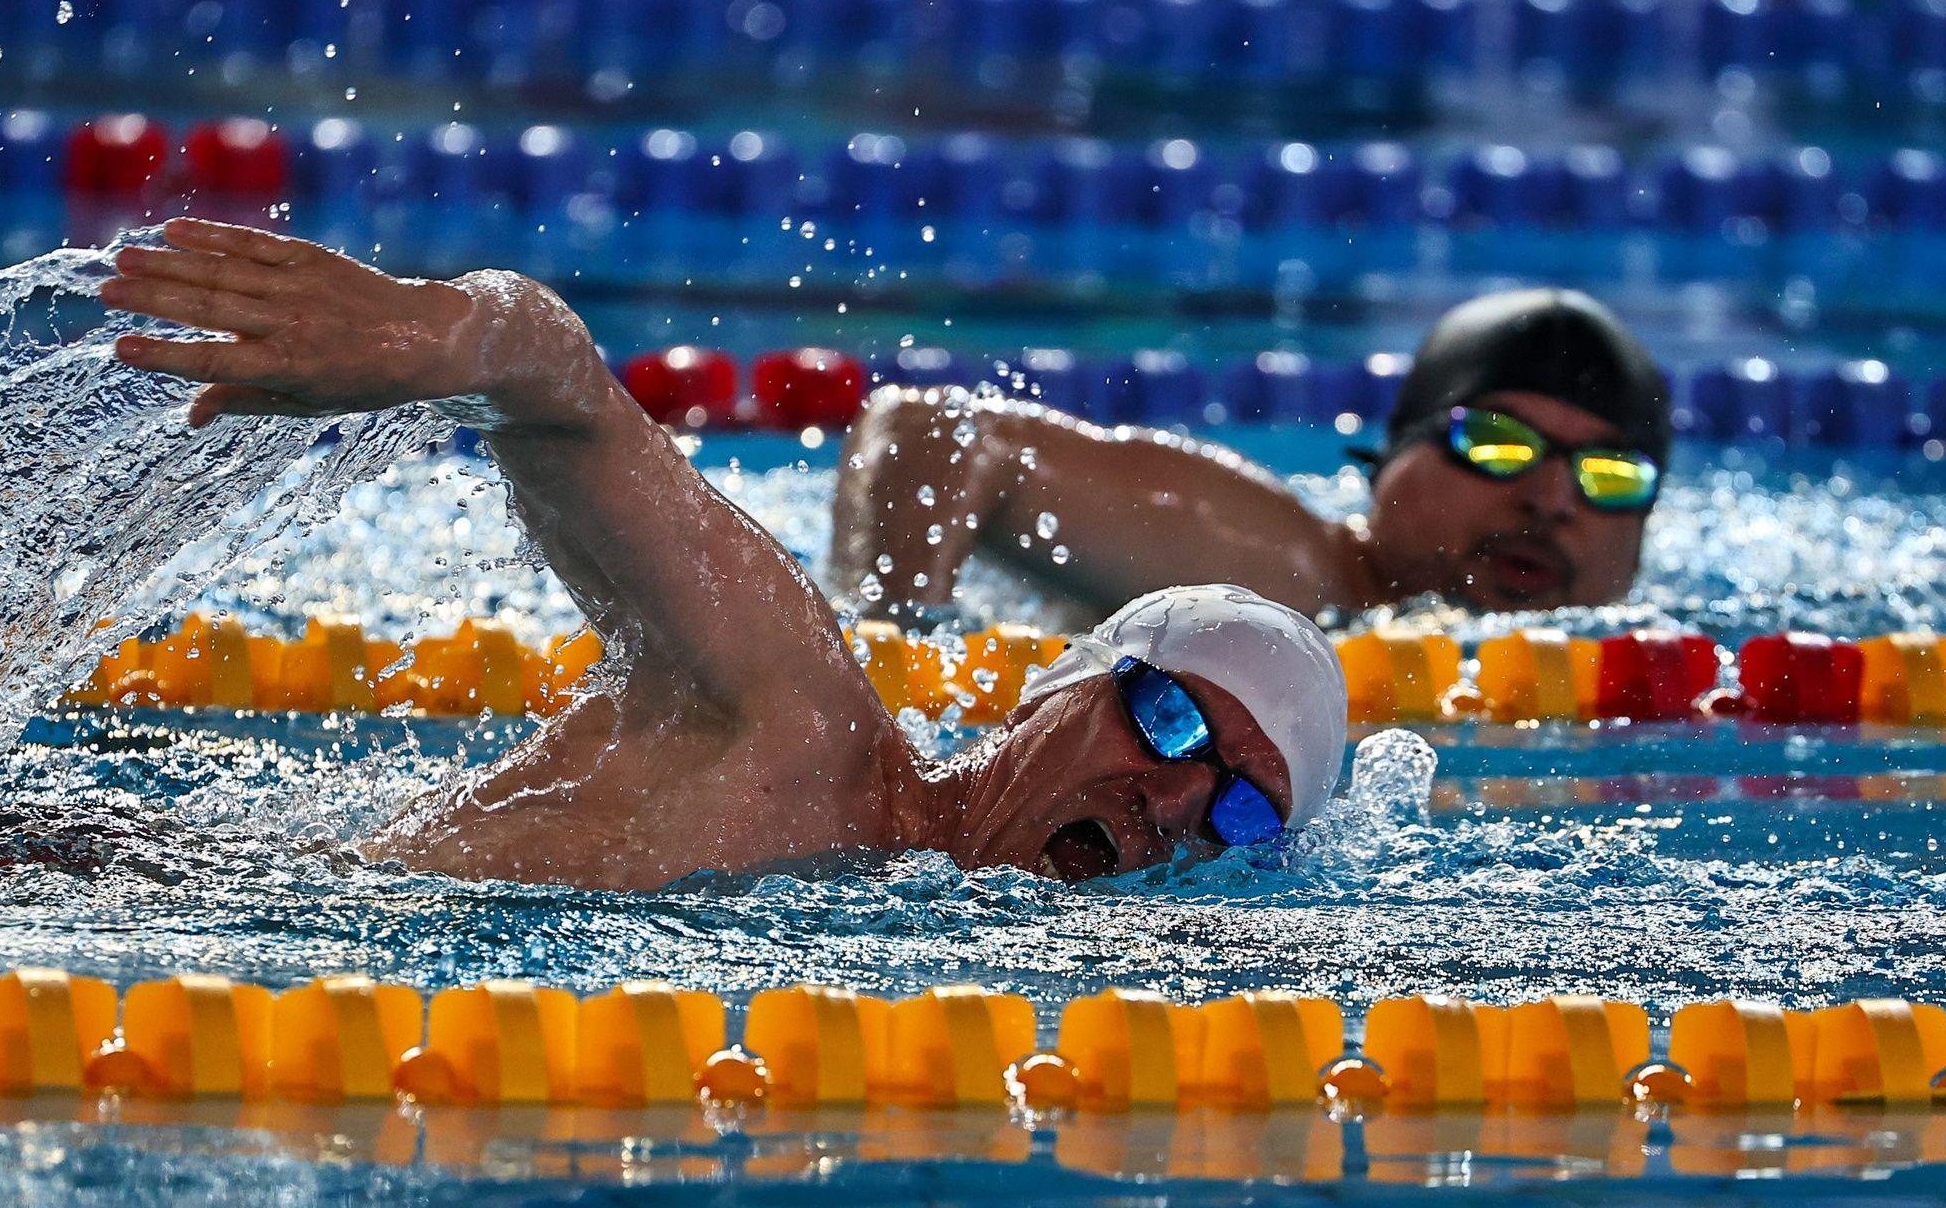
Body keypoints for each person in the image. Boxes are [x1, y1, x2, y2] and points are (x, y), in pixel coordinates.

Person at [101, 218, 1349, 892]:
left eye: (1240, 808)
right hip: (105, 888)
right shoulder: (792, 720)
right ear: (1058, 686)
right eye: (1171, 723)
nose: (1172, 801)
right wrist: (438, 338)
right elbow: (561, 387)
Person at [830, 287, 1673, 627]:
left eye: (1610, 477)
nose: (1551, 498)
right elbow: (935, 430)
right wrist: (894, 649)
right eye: (1497, 443)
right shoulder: (1276, 571)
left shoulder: (1672, 670)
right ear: (1393, 458)